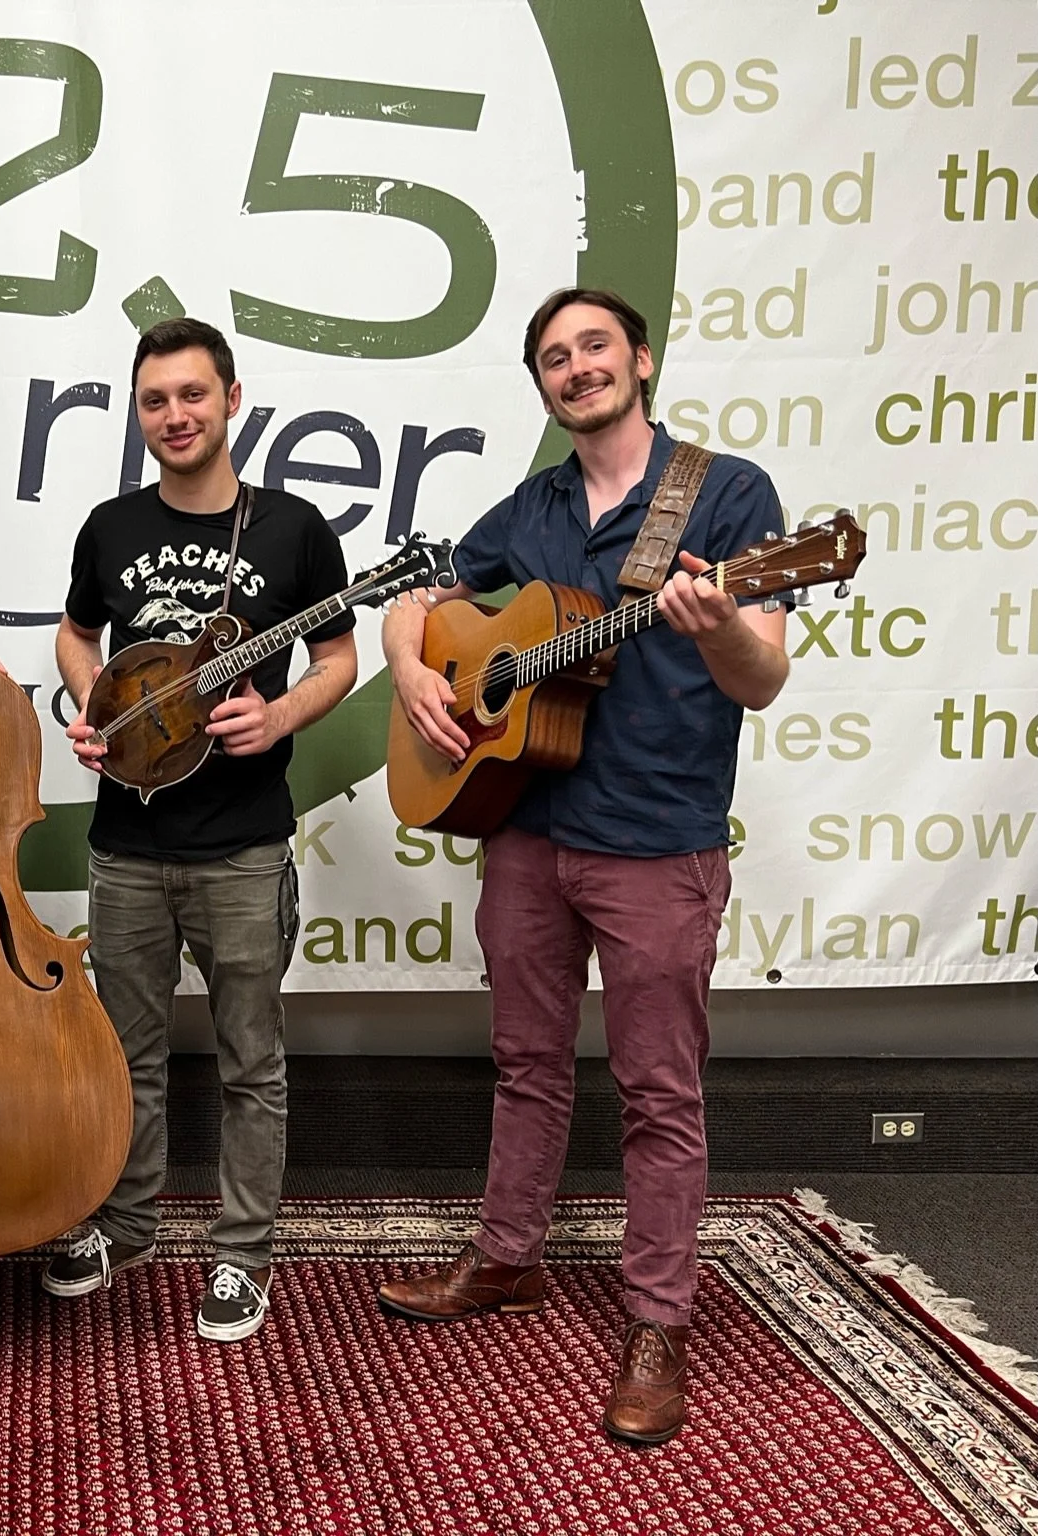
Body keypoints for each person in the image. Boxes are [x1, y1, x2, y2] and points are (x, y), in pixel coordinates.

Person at [375, 288, 791, 1445]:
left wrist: (717, 628)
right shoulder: (536, 504)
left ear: (641, 360)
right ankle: (508, 1258)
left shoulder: (729, 494)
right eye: (554, 358)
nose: (576, 368)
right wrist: (411, 668)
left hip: (659, 839)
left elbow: (763, 681)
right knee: (525, 1063)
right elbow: (425, 602)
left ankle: (659, 1322)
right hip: (528, 833)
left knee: (660, 1094)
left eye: (594, 347)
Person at [45, 317, 359, 1342]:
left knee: (248, 1062)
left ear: (231, 398)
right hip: (126, 846)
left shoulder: (294, 529)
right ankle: (124, 1224)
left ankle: (240, 1256)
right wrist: (98, 709)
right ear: (138, 415)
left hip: (242, 844)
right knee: (122, 1056)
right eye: (154, 401)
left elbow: (339, 661)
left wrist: (276, 718)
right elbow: (75, 633)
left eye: (191, 394)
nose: (174, 415)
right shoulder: (107, 526)